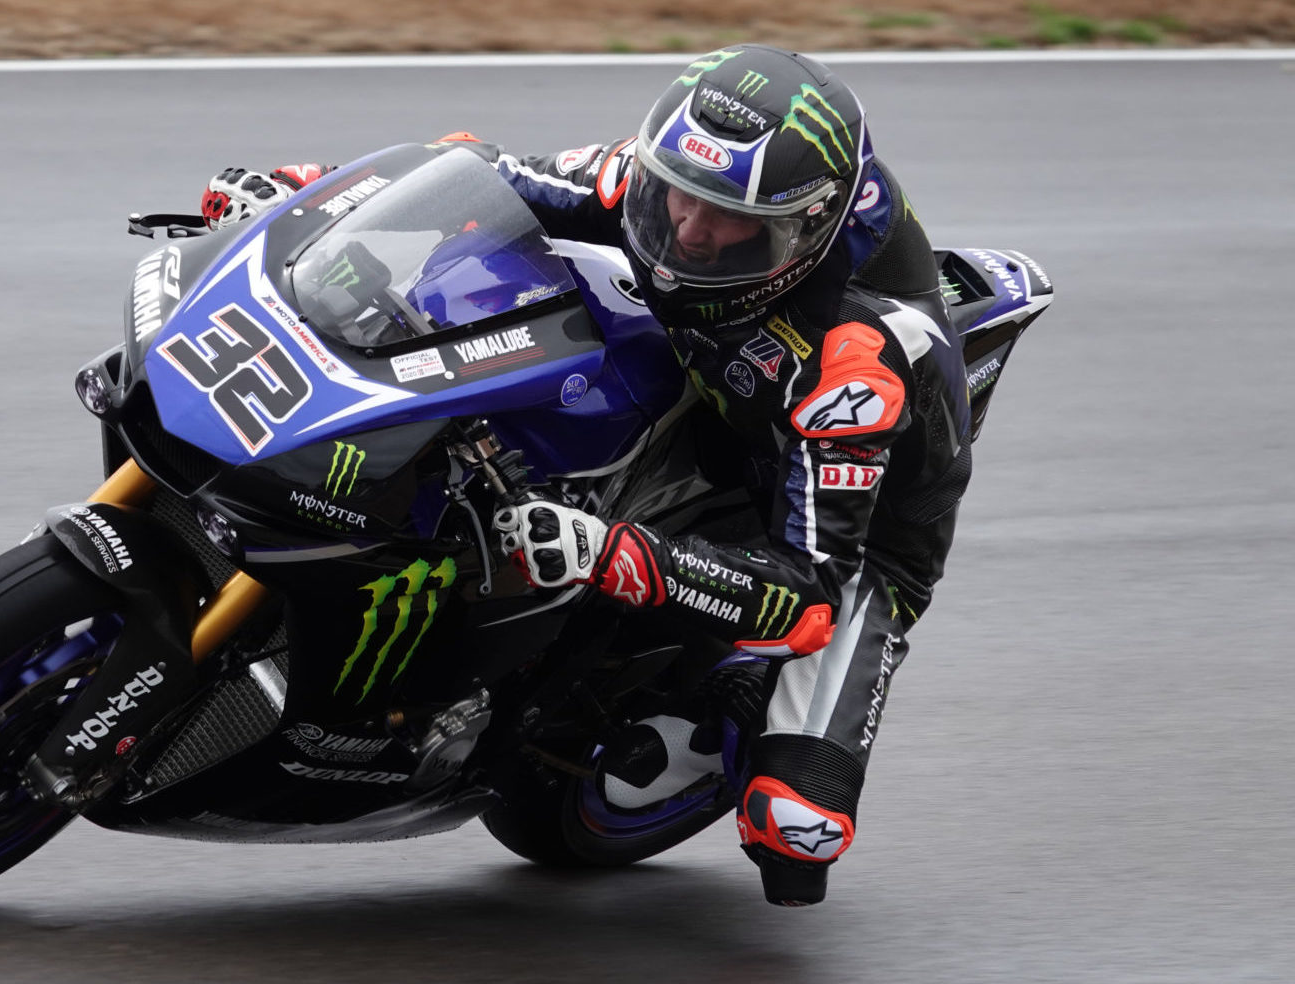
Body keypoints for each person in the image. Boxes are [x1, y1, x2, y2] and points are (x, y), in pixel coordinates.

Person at [200, 44, 971, 906]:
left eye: (731, 226)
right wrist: (302, 194)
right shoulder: (663, 184)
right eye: (679, 194)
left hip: (846, 525)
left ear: (799, 235)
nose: (688, 230)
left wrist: (611, 554)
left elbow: (809, 591)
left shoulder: (851, 369)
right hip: (716, 374)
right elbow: (477, 173)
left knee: (796, 827)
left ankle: (725, 693)